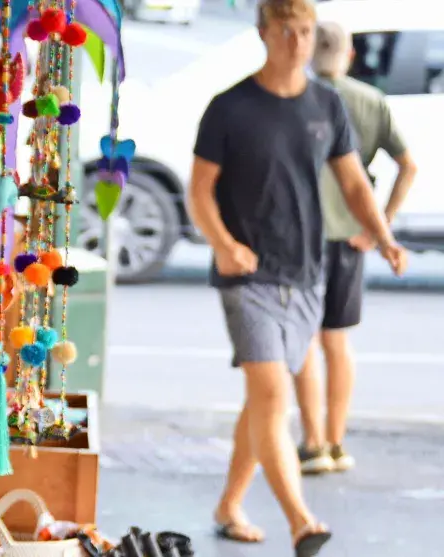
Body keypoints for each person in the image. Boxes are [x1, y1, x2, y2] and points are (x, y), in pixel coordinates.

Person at [186, 0, 408, 555]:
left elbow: (355, 185)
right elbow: (198, 192)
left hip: (308, 276)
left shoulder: (325, 104)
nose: (298, 41)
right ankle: (300, 520)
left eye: (306, 31)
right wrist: (225, 245)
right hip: (249, 278)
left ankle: (229, 505)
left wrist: (383, 235)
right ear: (263, 34)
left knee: (263, 402)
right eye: (286, 30)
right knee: (272, 396)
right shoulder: (230, 108)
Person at [294, 21, 418, 475]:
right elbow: (408, 166)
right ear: (348, 56)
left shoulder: (296, 99)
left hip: (300, 238)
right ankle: (336, 441)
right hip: (350, 235)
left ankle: (311, 444)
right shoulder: (370, 101)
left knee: (303, 341)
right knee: (336, 341)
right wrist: (381, 224)